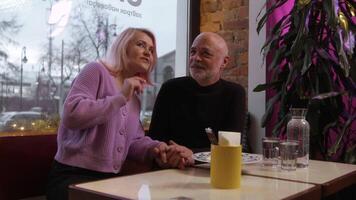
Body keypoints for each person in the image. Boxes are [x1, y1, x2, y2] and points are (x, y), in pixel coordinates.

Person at [46, 28, 193, 200]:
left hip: (110, 181)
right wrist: (121, 97)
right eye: (141, 45)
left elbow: (133, 141)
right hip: (72, 178)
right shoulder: (96, 70)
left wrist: (158, 149)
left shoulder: (133, 98)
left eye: (151, 50)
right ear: (123, 47)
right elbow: (71, 114)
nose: (148, 52)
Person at [148, 32, 246, 150]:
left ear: (224, 62)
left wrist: (191, 155)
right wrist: (169, 154)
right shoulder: (170, 88)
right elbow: (155, 139)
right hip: (170, 164)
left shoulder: (234, 93)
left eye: (205, 54)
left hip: (213, 166)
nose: (196, 58)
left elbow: (230, 145)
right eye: (193, 52)